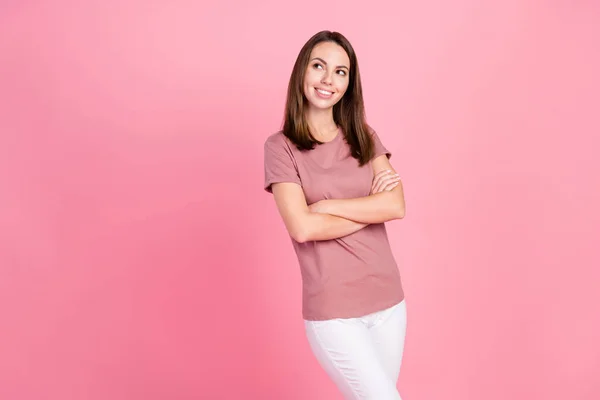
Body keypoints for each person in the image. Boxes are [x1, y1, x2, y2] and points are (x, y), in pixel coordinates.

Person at [263, 30, 407, 400]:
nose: (329, 79)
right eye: (319, 66)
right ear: (302, 72)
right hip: (334, 311)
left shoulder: (363, 135)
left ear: (349, 82)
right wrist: (368, 208)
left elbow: (395, 206)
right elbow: (303, 227)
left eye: (341, 71)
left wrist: (328, 207)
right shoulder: (280, 148)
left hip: (389, 300)